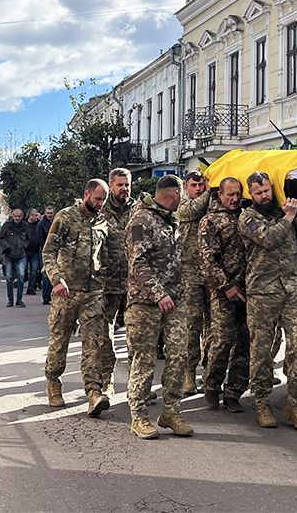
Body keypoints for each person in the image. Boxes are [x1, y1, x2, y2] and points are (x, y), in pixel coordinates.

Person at [237, 171, 297, 431]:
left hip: (292, 289)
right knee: (262, 350)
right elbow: (268, 239)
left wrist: (295, 214)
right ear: (251, 194)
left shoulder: (287, 212)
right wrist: (288, 218)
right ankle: (262, 401)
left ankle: (294, 403)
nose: (264, 195)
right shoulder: (247, 217)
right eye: (258, 192)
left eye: (267, 190)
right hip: (262, 292)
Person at [124, 175, 193, 439]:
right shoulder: (141, 220)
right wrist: (158, 293)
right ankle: (139, 416)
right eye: (182, 195)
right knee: (144, 360)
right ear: (174, 194)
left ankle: (172, 411)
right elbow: (137, 263)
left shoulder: (170, 219)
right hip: (145, 303)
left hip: (175, 300)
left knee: (178, 355)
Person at [42, 179, 112, 415]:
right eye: (97, 199)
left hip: (93, 292)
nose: (101, 204)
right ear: (86, 195)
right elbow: (48, 251)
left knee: (93, 342)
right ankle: (53, 381)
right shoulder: (65, 217)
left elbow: (106, 255)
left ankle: (93, 392)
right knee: (59, 340)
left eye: (104, 200)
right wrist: (56, 279)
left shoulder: (103, 221)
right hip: (66, 292)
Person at [200, 177, 249, 413]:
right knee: (222, 340)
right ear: (220, 194)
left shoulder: (247, 217)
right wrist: (226, 286)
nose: (234, 198)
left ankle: (234, 391)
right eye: (229, 194)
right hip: (223, 291)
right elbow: (208, 261)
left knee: (244, 341)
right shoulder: (211, 221)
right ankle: (212, 384)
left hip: (247, 290)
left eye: (238, 194)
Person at [97, 168, 136, 387]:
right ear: (111, 185)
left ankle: (137, 385)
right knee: (104, 335)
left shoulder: (139, 208)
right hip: (107, 283)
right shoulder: (100, 209)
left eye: (127, 184)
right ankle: (105, 381)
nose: (124, 189)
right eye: (120, 185)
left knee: (136, 337)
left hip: (134, 283)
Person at [176, 172, 211, 396]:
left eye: (201, 184)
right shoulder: (183, 206)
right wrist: (209, 191)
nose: (198, 188)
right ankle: (189, 373)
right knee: (192, 325)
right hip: (190, 274)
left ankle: (208, 372)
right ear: (186, 188)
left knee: (213, 326)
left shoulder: (211, 207)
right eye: (194, 185)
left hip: (212, 274)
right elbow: (193, 210)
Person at [0, 208, 30, 307]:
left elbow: (28, 239)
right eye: (15, 216)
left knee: (21, 277)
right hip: (9, 254)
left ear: (22, 216)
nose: (17, 218)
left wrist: (24, 245)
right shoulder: (7, 225)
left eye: (19, 216)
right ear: (12, 216)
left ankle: (19, 299)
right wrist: (6, 247)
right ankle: (10, 300)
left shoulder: (25, 226)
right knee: (9, 277)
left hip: (21, 254)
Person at [24, 209, 44, 297]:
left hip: (35, 250)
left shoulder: (39, 224)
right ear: (30, 215)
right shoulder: (24, 224)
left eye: (37, 215)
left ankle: (31, 288)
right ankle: (22, 281)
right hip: (25, 250)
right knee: (23, 268)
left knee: (34, 271)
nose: (36, 217)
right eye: (35, 215)